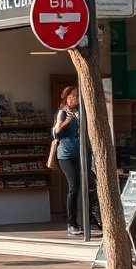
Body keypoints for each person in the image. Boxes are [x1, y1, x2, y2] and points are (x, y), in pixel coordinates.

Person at [53, 86, 83, 236]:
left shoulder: (78, 112)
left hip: (79, 152)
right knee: (74, 187)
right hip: (65, 154)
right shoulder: (62, 112)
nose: (74, 99)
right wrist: (65, 122)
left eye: (75, 96)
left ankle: (88, 219)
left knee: (83, 185)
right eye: (71, 97)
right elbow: (55, 132)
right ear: (65, 98)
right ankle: (72, 222)